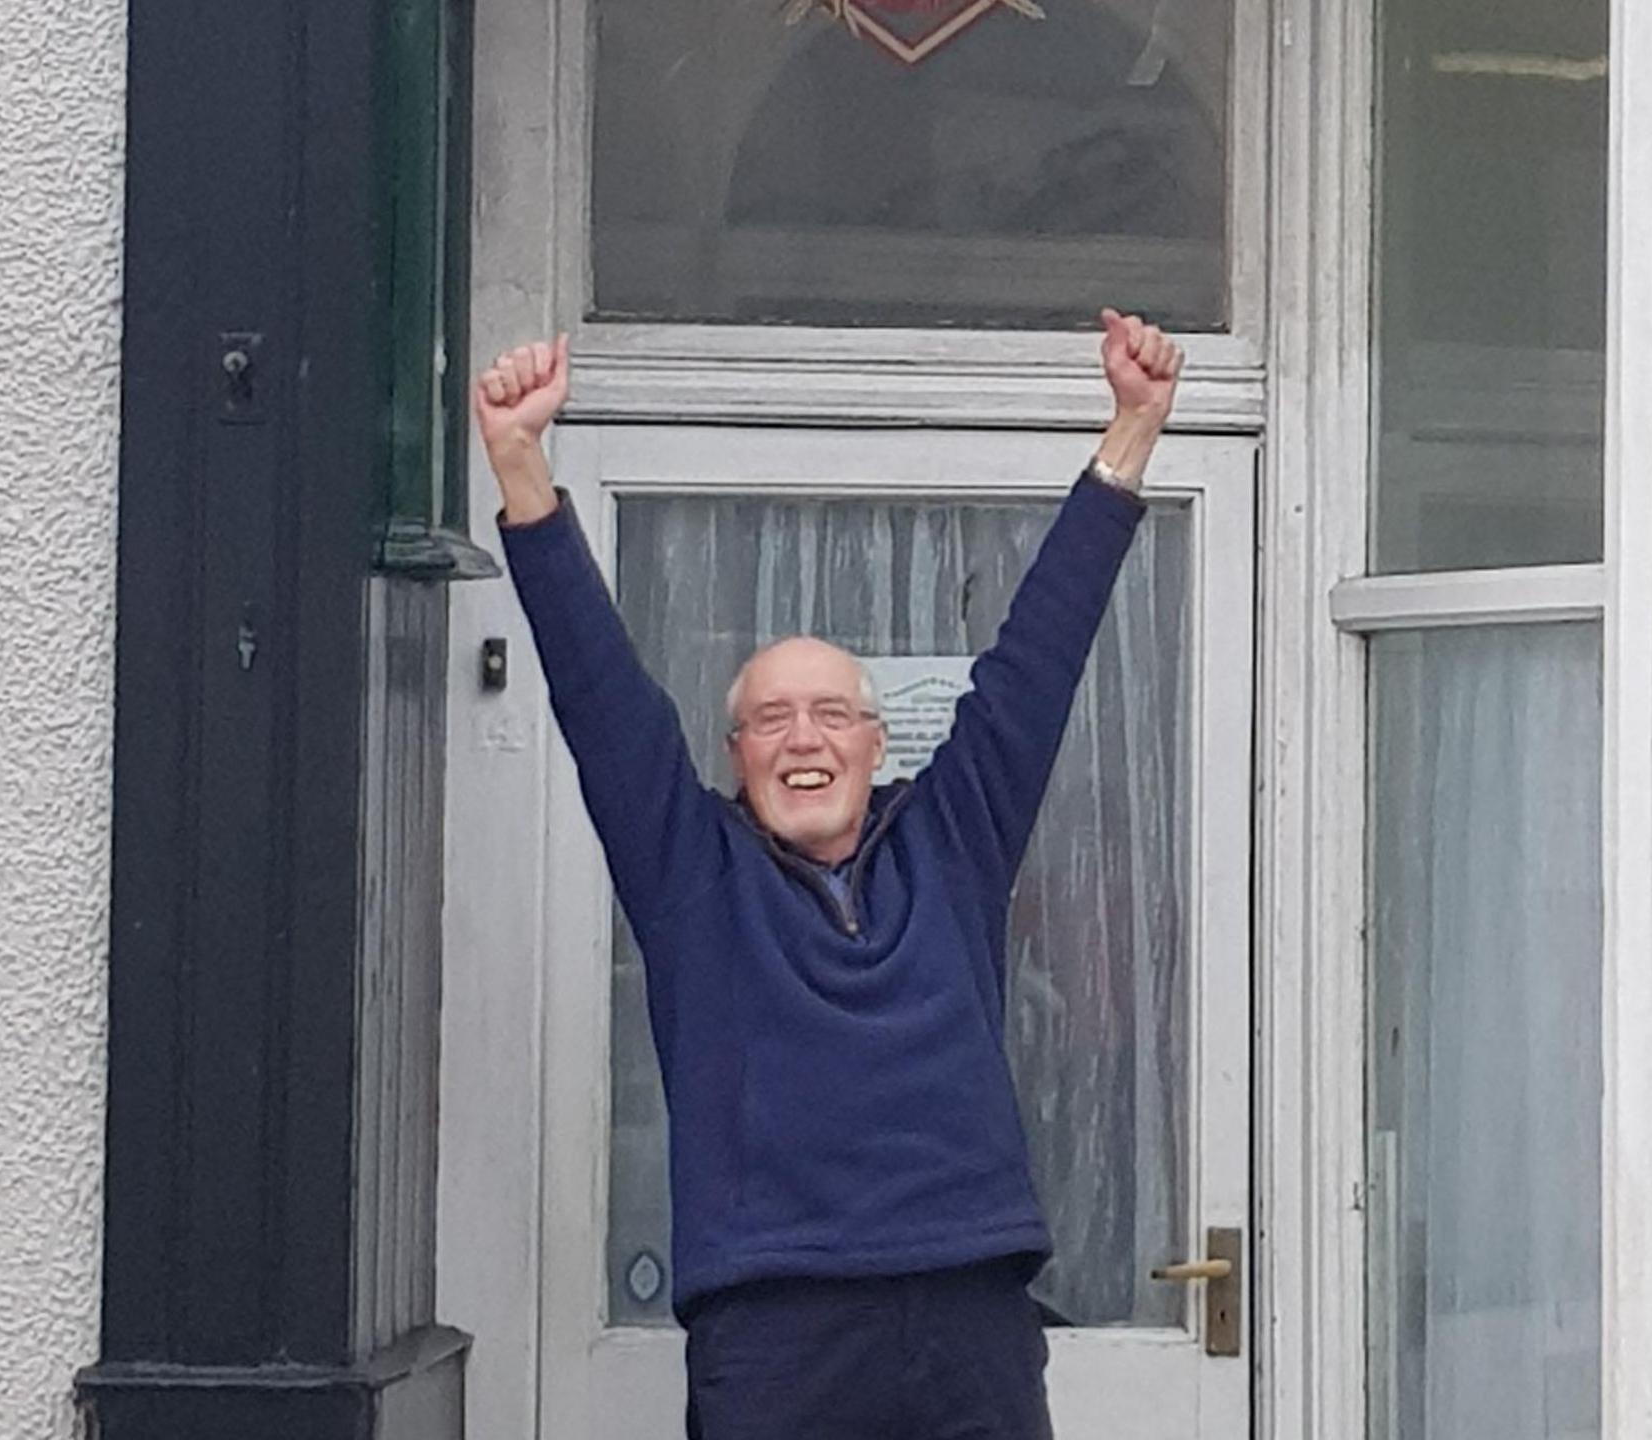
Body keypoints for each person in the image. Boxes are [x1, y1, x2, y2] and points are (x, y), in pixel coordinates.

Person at [473, 309, 1185, 1440]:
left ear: (872, 742)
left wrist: (1131, 434)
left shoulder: (952, 845)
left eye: (829, 714)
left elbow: (1035, 663)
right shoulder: (692, 876)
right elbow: (602, 696)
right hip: (778, 1328)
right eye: (768, 720)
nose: (802, 738)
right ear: (735, 758)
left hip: (968, 1309)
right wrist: (522, 465)